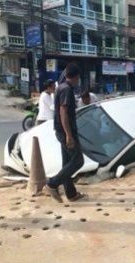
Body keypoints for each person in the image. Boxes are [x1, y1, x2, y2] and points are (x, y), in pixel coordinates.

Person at [46, 63, 86, 203]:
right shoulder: (67, 90)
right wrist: (69, 135)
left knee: (67, 163)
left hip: (61, 130)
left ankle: (71, 194)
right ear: (76, 77)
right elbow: (63, 112)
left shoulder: (60, 87)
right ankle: (52, 183)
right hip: (66, 131)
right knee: (78, 160)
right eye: (78, 78)